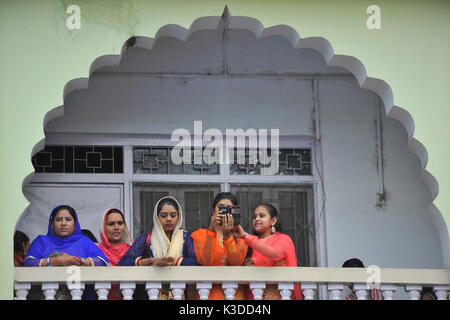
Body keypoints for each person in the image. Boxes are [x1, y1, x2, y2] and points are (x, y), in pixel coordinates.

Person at [118, 196, 198, 299]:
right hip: (151, 294)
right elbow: (124, 262)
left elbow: (196, 261)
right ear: (157, 217)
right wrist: (152, 261)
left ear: (179, 217)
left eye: (173, 215)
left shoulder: (185, 237)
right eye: (164, 215)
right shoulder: (147, 238)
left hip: (178, 294)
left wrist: (175, 262)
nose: (168, 219)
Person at [233, 203, 302, 300]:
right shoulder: (247, 243)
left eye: (261, 216)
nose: (256, 219)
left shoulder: (283, 239)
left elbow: (274, 253)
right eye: (254, 217)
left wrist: (246, 236)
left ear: (273, 220)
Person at [191, 192, 248, 300]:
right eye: (221, 208)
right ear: (213, 211)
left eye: (229, 209)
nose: (224, 212)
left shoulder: (240, 237)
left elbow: (236, 263)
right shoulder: (200, 234)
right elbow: (206, 261)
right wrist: (211, 231)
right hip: (208, 294)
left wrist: (227, 236)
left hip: (234, 294)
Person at [24, 205, 109, 267]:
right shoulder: (41, 241)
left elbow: (103, 262)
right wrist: (55, 261)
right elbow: (28, 263)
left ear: (75, 224)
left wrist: (78, 260)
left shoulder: (84, 242)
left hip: (80, 289)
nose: (63, 223)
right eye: (58, 220)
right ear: (52, 224)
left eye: (68, 219)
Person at [97, 208, 133, 300]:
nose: (116, 227)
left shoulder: (131, 250)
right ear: (103, 227)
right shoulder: (96, 250)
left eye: (120, 223)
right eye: (111, 224)